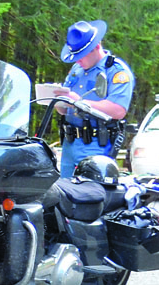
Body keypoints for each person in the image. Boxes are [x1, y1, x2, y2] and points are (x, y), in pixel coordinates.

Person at [54, 20, 135, 178]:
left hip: (95, 143)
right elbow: (64, 109)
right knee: (64, 193)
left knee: (88, 194)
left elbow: (118, 110)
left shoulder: (115, 71)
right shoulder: (77, 69)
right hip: (70, 141)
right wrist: (59, 100)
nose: (78, 60)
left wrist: (80, 102)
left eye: (81, 55)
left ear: (96, 47)